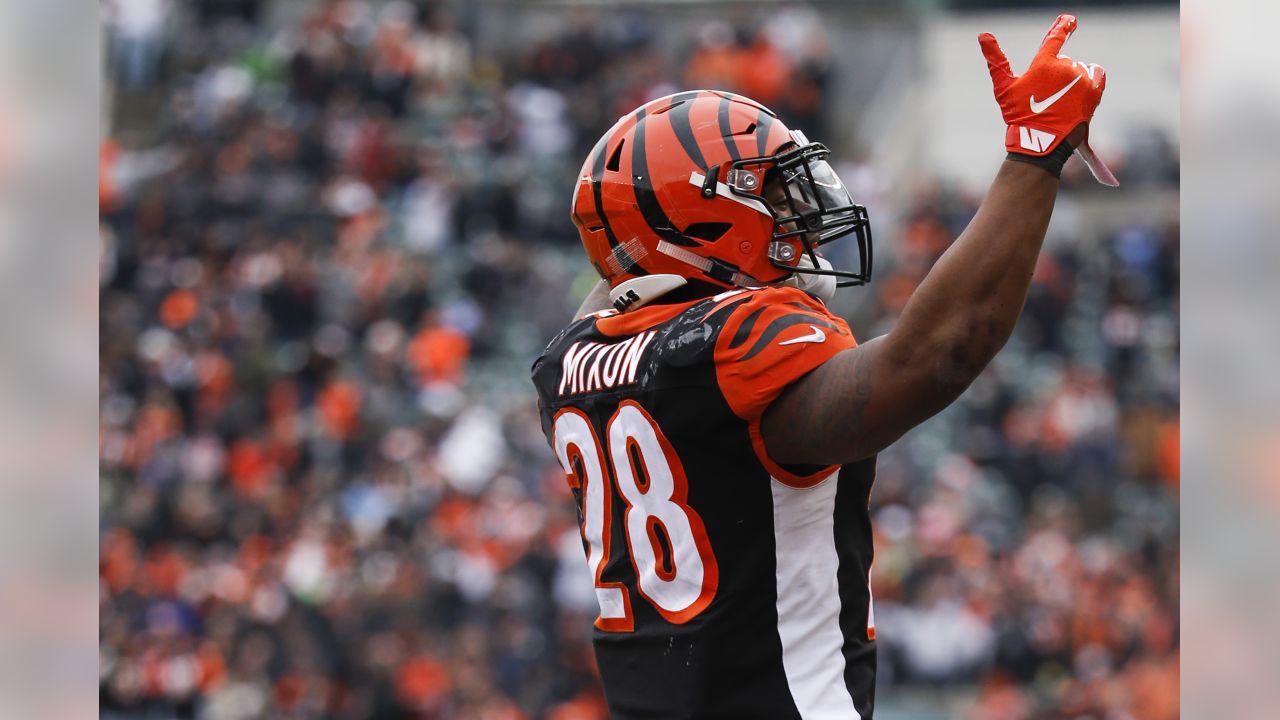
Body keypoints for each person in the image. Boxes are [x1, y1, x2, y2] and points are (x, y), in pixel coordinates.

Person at [530, 14, 1113, 719]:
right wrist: (1033, 155)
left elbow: (626, 279)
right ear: (699, 222)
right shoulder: (735, 342)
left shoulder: (571, 359)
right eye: (772, 194)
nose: (799, 215)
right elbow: (938, 356)